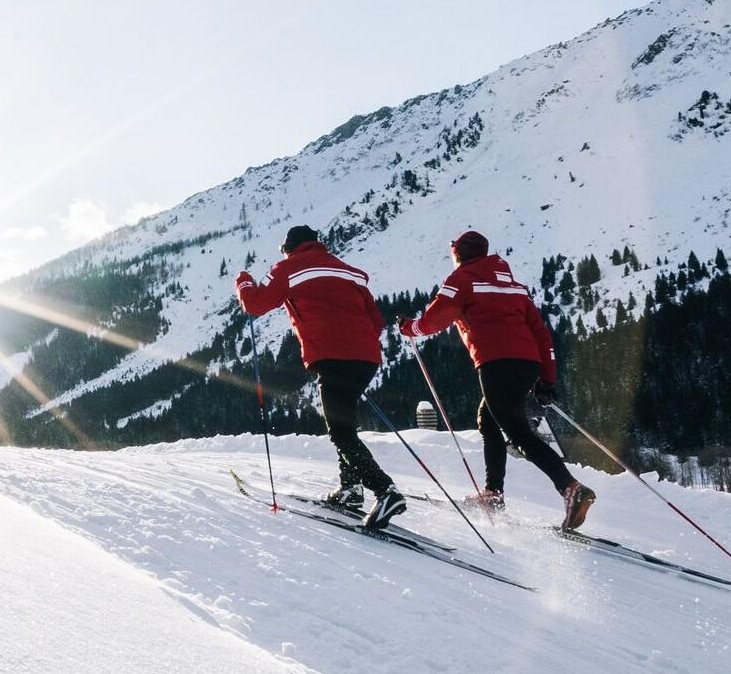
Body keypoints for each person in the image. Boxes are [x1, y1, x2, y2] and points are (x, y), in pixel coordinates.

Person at [400, 230, 598, 530]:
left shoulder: (462, 279)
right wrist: (547, 379)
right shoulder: (515, 287)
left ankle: (570, 488)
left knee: (517, 432)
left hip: (495, 363)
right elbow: (542, 334)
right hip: (527, 364)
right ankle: (493, 493)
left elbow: (437, 316)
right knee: (489, 419)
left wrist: (410, 328)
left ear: (459, 255)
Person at [235, 225, 406, 531]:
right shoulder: (350, 272)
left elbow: (255, 305)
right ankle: (351, 489)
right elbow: (376, 321)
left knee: (340, 431)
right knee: (345, 422)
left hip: (332, 357)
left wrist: (244, 282)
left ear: (289, 247)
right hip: (366, 358)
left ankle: (385, 491)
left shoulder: (287, 268)